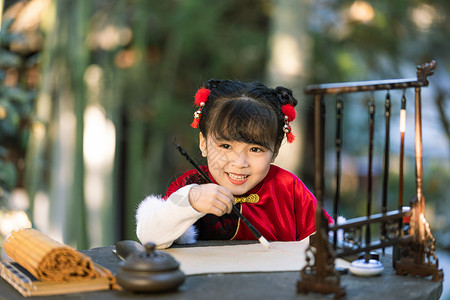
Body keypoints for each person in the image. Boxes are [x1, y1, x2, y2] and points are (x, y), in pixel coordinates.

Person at [136, 79, 332, 249]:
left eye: (255, 149)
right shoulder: (190, 186)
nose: (239, 163)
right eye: (225, 146)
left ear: (275, 151)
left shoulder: (288, 188)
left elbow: (329, 240)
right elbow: (149, 237)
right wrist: (191, 201)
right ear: (203, 143)